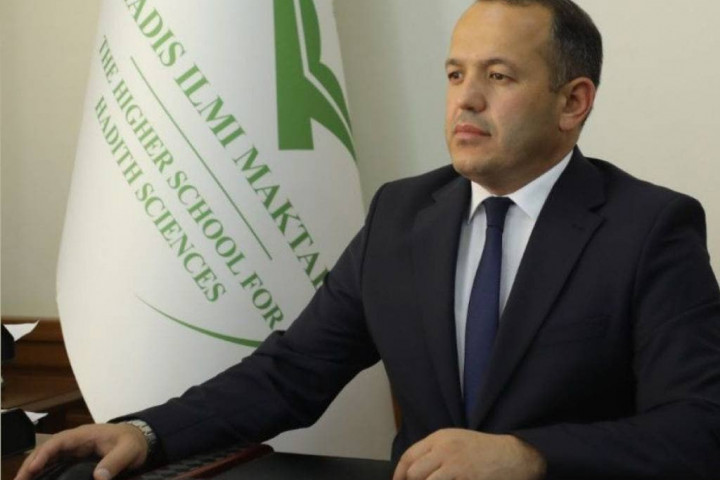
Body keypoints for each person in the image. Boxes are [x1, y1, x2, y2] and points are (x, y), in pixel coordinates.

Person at [17, 1, 720, 479]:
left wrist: (528, 456)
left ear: (573, 102)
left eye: (499, 76)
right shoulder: (402, 215)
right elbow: (292, 372)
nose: (466, 99)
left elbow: (699, 428)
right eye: (455, 74)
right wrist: (147, 432)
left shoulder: (649, 228)